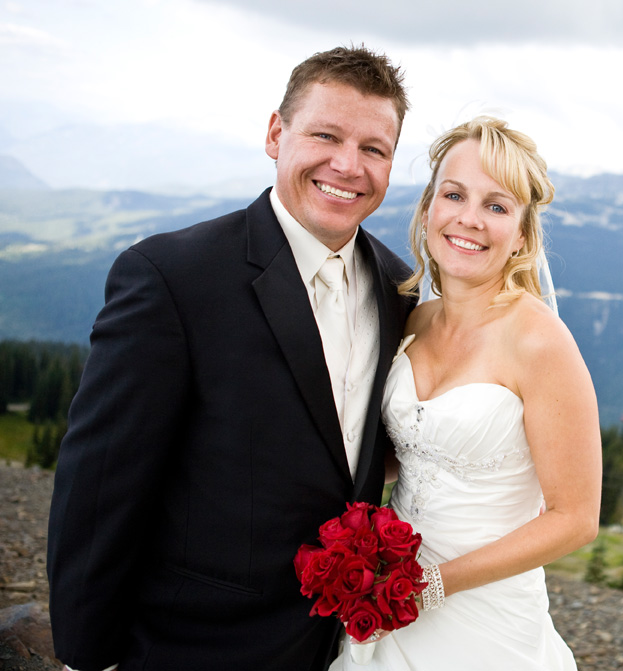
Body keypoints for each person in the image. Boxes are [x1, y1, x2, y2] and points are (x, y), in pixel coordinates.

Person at [46, 46, 416, 671]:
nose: (347, 165)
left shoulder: (399, 288)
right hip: (190, 646)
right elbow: (101, 484)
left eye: (374, 149)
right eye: (325, 135)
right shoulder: (171, 277)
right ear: (276, 134)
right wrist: (90, 656)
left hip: (335, 646)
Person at [331, 116, 602, 670]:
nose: (469, 220)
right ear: (430, 206)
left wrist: (431, 586)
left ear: (522, 233)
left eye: (497, 206)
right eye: (454, 195)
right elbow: (398, 456)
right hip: (385, 602)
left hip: (484, 620)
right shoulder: (413, 321)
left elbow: (575, 518)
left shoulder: (540, 342)